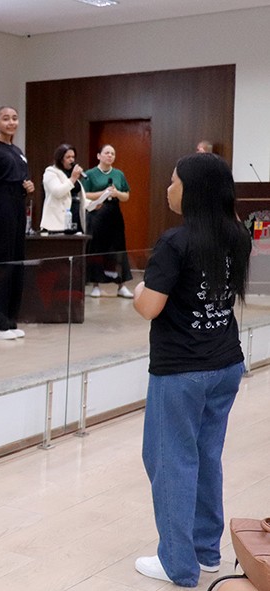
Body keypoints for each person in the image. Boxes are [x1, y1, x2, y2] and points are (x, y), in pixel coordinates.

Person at [132, 153, 251, 587]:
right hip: (226, 364)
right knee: (205, 456)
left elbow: (150, 306)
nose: (168, 189)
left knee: (170, 460)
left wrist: (138, 289)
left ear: (194, 191)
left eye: (174, 181)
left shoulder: (174, 242)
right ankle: (205, 552)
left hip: (181, 370)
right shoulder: (237, 237)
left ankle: (178, 565)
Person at [0, 105, 34, 340]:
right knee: (3, 263)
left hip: (18, 205)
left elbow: (21, 177)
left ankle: (9, 320)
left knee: (16, 263)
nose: (11, 122)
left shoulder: (17, 151)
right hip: (1, 205)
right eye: (6, 118)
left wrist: (28, 186)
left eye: (14, 118)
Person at [84, 144, 133, 298]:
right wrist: (102, 193)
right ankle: (96, 285)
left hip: (114, 213)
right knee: (97, 248)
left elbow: (126, 195)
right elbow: (85, 194)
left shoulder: (119, 174)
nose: (110, 155)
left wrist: (116, 193)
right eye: (107, 153)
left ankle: (121, 285)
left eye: (112, 153)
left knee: (118, 248)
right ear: (99, 156)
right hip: (97, 213)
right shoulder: (90, 174)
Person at [40, 143, 86, 233]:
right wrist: (73, 179)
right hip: (58, 221)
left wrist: (94, 204)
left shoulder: (71, 174)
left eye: (73, 157)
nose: (71, 160)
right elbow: (58, 192)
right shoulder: (51, 172)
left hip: (75, 217)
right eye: (68, 157)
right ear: (60, 159)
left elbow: (76, 197)